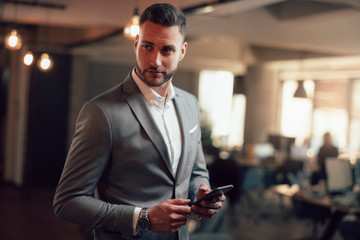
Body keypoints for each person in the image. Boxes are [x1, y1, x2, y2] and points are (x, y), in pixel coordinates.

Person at [53, 3, 226, 240]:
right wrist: (143, 217)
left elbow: (196, 172)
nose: (155, 60)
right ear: (136, 44)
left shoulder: (190, 104)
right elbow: (67, 202)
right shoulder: (101, 112)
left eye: (167, 50)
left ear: (182, 52)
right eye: (147, 47)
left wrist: (202, 195)